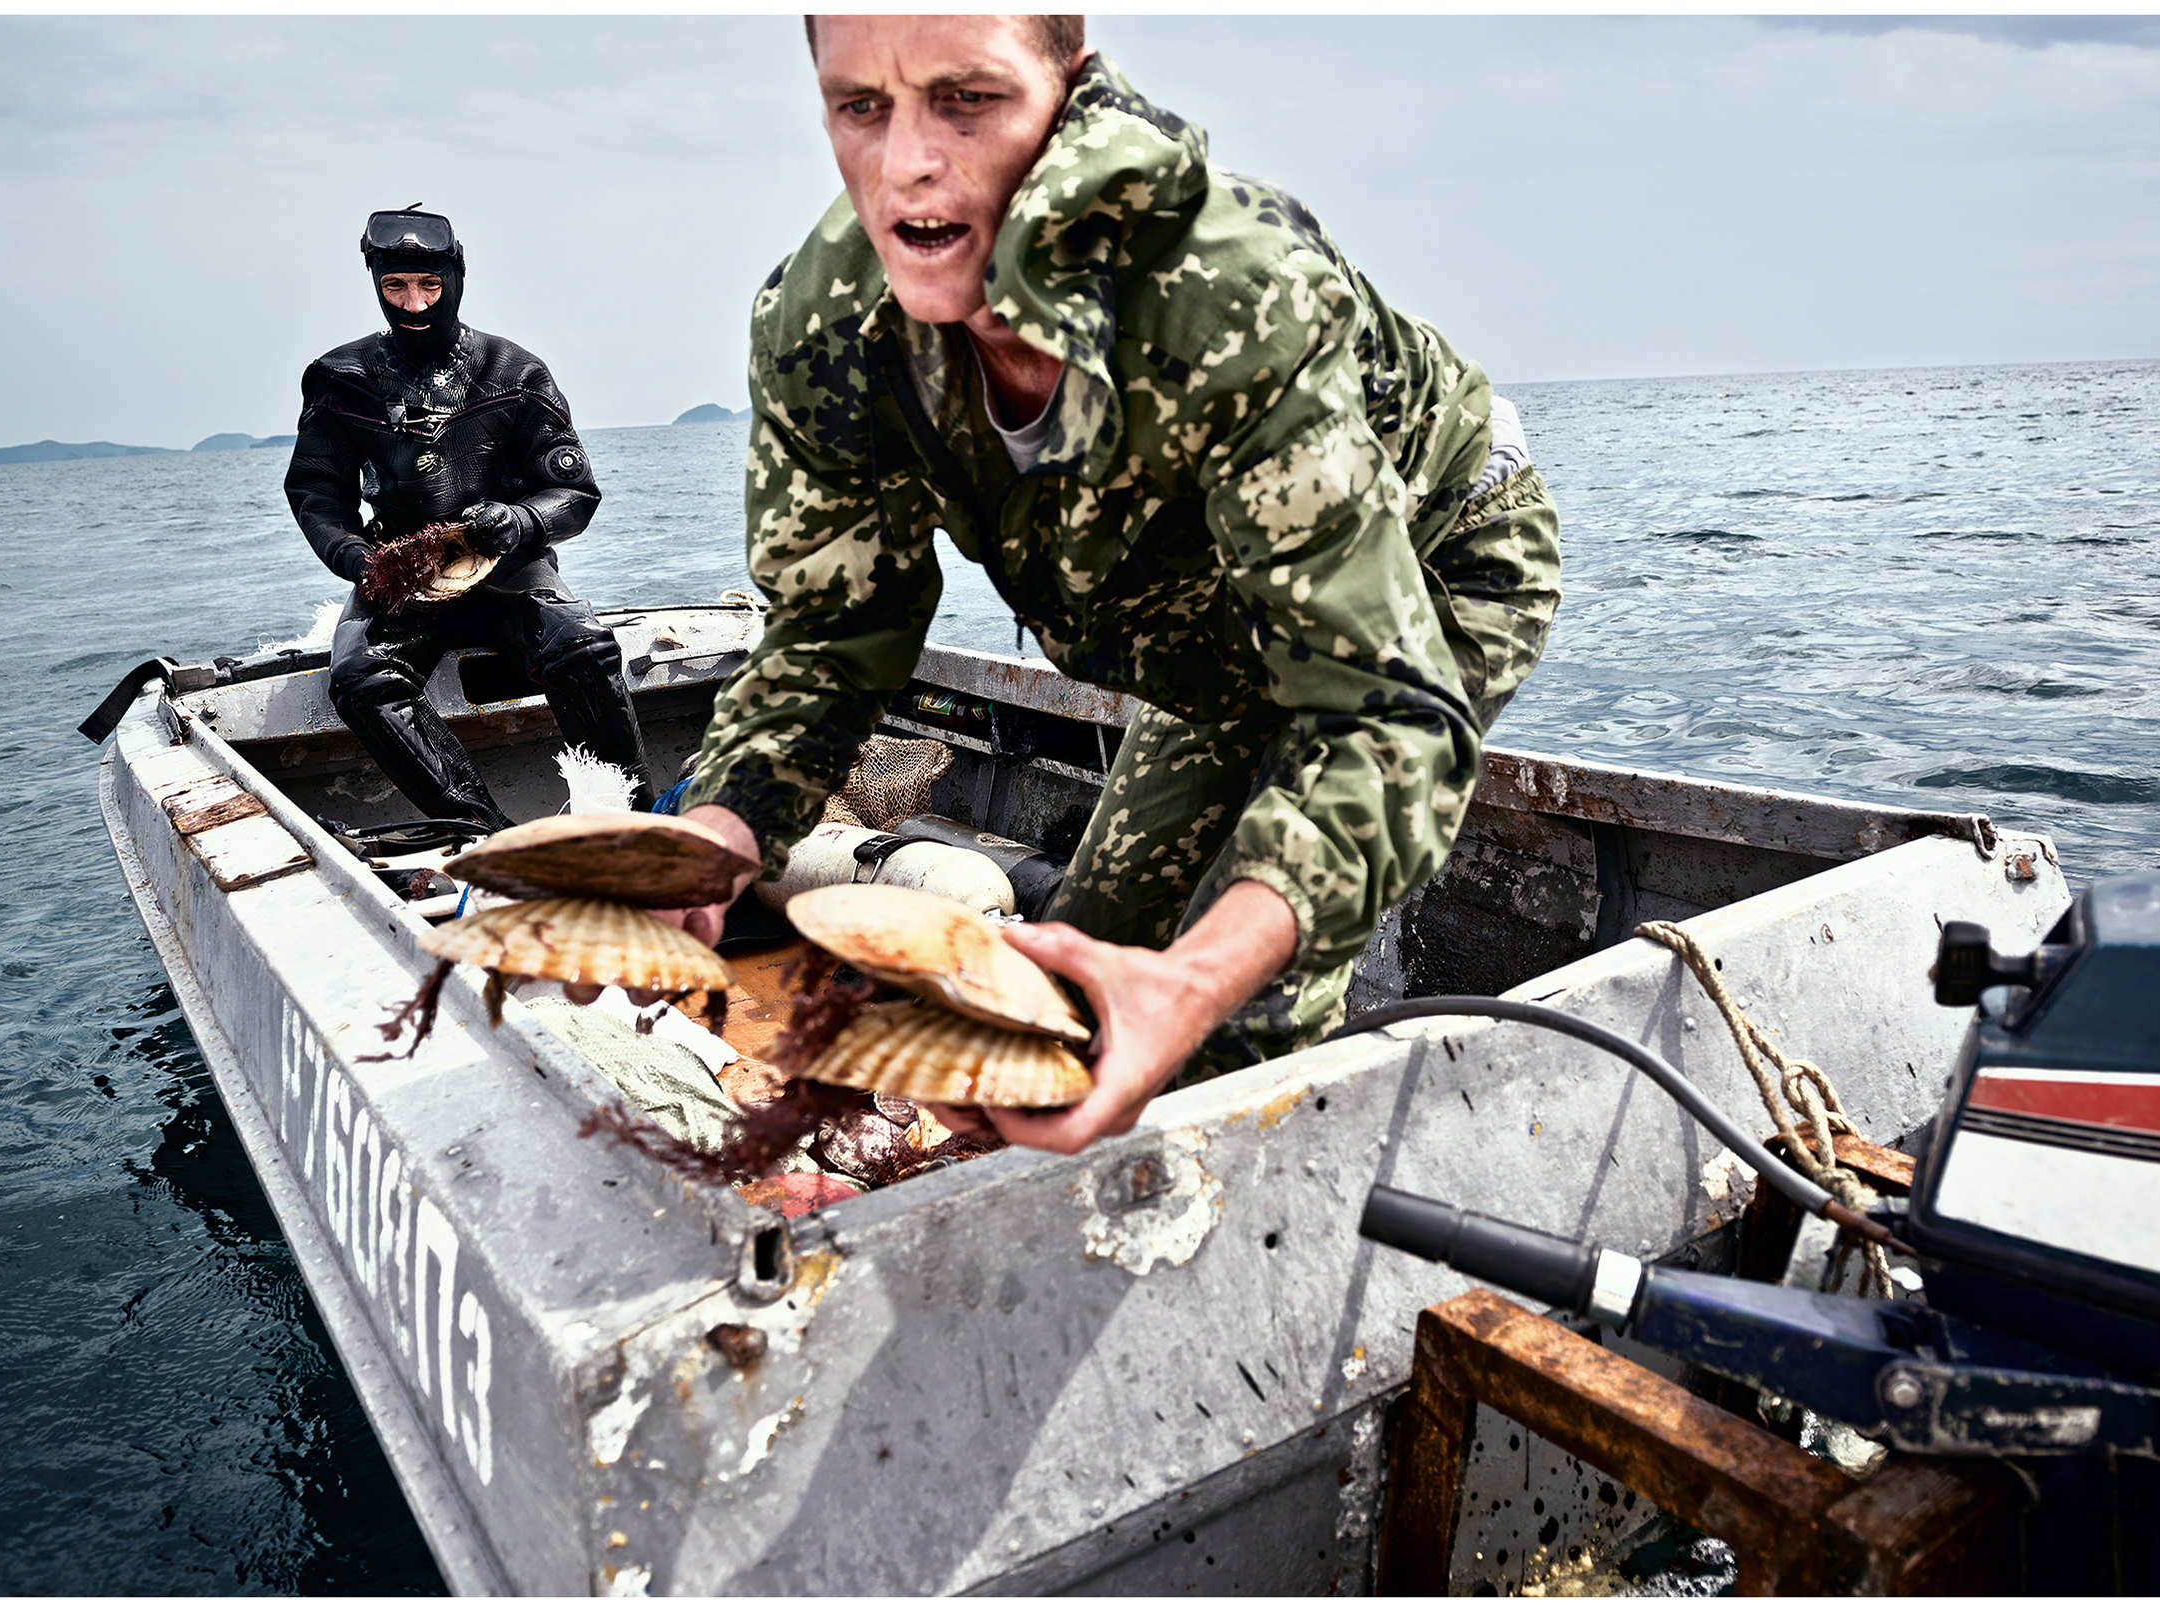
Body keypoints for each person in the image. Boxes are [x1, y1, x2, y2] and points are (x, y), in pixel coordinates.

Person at [668, 16, 1561, 1153]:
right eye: (859, 106)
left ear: (1067, 87)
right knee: (1073, 968)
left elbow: (1379, 712)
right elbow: (833, 632)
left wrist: (1196, 981)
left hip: (1433, 560)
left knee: (1234, 1016)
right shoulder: (827, 332)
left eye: (967, 99)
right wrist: (715, 834)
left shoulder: (1225, 291)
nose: (905, 164)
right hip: (1218, 644)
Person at [284, 205, 654, 831]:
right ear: (375, 284)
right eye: (395, 286)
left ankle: (632, 818)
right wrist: (355, 558)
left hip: (512, 569)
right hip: (400, 575)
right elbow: (317, 490)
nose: (415, 302)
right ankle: (485, 832)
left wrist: (518, 520)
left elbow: (573, 493)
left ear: (455, 277)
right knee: (360, 678)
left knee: (582, 646)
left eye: (429, 285)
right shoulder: (339, 379)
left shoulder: (514, 372)